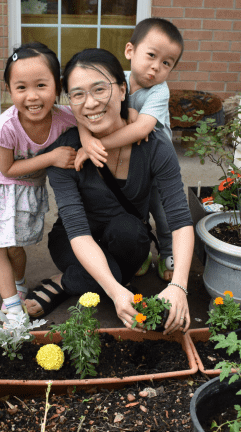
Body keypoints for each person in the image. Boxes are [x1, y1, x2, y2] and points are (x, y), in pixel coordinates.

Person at [24, 48, 194, 335]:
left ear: (122, 89)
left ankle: (71, 281)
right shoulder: (65, 152)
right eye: (78, 94)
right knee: (112, 278)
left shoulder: (155, 146)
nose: (90, 103)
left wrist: (179, 286)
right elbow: (77, 231)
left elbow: (180, 220)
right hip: (74, 241)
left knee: (128, 232)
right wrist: (116, 291)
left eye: (100, 89)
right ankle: (69, 280)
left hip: (127, 238)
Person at [0, 42, 77, 321]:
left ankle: (17, 284)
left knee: (14, 246)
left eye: (41, 85)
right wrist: (52, 157)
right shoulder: (5, 126)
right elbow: (8, 169)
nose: (32, 96)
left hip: (27, 187)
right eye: (21, 87)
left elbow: (89, 125)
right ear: (9, 90)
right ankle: (13, 307)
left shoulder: (66, 118)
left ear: (57, 86)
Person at [74, 18, 184, 282]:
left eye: (167, 63)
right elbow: (83, 112)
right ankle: (140, 251)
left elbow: (141, 129)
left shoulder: (159, 92)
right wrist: (86, 140)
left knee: (163, 211)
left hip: (156, 165)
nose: (156, 67)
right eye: (151, 55)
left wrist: (98, 145)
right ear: (130, 51)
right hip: (129, 161)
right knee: (136, 208)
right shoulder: (115, 80)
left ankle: (168, 251)